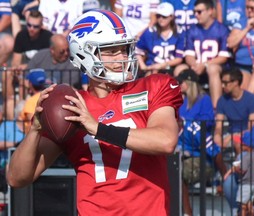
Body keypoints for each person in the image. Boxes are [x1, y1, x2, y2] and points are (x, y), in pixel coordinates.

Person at [7, 10, 183, 216]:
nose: (122, 57)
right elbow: (17, 178)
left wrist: (98, 128)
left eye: (125, 49)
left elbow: (166, 140)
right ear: (84, 54)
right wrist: (36, 130)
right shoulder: (73, 106)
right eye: (111, 51)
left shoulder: (154, 85)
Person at [175, 69, 226, 216]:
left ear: (189, 82)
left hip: (201, 155)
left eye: (181, 82)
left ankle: (187, 213)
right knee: (171, 169)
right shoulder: (180, 101)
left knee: (179, 172)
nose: (178, 85)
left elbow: (206, 123)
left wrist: (190, 125)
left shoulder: (204, 100)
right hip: (182, 151)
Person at [173, 0, 231, 108]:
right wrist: (194, 65)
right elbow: (189, 55)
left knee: (212, 69)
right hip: (197, 66)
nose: (196, 15)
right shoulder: (192, 30)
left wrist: (205, 64)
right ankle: (180, 108)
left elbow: (223, 57)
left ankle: (216, 110)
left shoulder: (222, 30)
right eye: (194, 12)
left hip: (215, 66)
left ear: (210, 11)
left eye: (199, 12)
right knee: (179, 69)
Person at [214, 67, 254, 153]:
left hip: (247, 135)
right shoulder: (222, 100)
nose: (223, 86)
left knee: (238, 144)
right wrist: (217, 135)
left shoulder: (251, 99)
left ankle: (239, 165)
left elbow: (251, 128)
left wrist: (232, 136)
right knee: (212, 147)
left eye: (226, 83)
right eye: (222, 82)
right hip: (230, 134)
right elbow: (219, 125)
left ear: (236, 83)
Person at [135, 2, 185, 76]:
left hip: (171, 68)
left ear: (171, 17)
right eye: (158, 16)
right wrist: (143, 66)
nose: (161, 19)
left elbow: (179, 58)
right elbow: (137, 50)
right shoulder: (150, 32)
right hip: (152, 68)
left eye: (164, 16)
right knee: (150, 78)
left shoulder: (179, 32)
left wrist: (162, 65)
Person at [223, 138, 254, 216]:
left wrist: (235, 169)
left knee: (243, 206)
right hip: (253, 184)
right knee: (250, 205)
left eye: (242, 144)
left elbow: (242, 170)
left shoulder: (246, 157)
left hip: (245, 184)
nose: (241, 146)